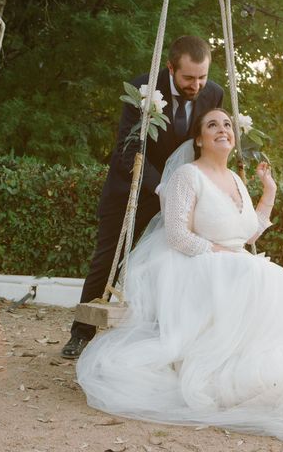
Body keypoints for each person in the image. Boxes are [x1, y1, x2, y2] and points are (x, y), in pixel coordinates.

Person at [75, 109, 283, 445]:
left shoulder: (235, 179)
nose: (222, 129)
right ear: (199, 139)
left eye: (228, 125)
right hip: (196, 265)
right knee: (257, 275)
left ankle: (276, 370)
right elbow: (177, 235)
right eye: (212, 125)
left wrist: (269, 192)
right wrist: (216, 251)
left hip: (231, 262)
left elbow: (247, 235)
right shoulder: (187, 177)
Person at [61, 36, 223, 358]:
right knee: (107, 259)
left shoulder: (214, 93)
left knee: (176, 264)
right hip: (132, 189)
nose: (197, 85)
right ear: (170, 67)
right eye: (189, 78)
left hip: (182, 195)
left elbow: (209, 139)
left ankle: (166, 339)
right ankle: (81, 333)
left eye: (202, 77)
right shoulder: (143, 89)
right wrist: (161, 187)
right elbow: (128, 148)